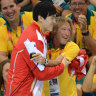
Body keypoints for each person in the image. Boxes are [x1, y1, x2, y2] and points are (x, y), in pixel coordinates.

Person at [6, 2, 68, 96]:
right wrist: (62, 66)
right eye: (52, 18)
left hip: (25, 89)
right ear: (40, 18)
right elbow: (41, 74)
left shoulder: (36, 32)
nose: (54, 21)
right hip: (21, 92)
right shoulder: (33, 39)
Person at [31, 17, 83, 96]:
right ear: (54, 30)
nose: (67, 33)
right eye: (64, 29)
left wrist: (44, 61)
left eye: (69, 30)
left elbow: (58, 63)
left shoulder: (72, 47)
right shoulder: (44, 45)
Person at [66, 0, 96, 95]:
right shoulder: (67, 20)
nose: (77, 7)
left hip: (91, 54)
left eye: (81, 3)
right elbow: (65, 49)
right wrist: (71, 35)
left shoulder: (95, 17)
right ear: (70, 6)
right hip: (74, 56)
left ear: (87, 4)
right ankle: (75, 88)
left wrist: (85, 31)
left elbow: (95, 51)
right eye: (74, 4)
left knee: (93, 60)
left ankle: (90, 87)